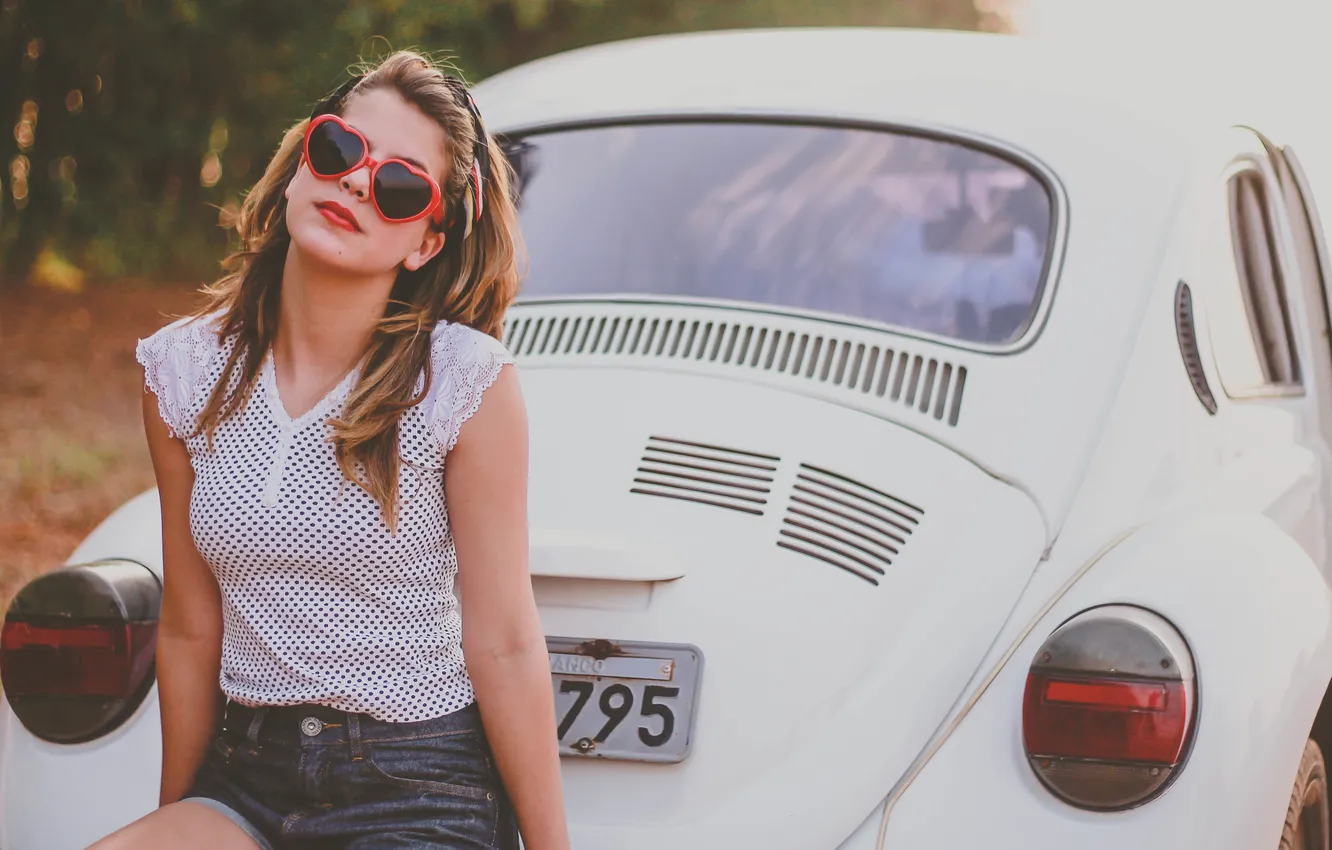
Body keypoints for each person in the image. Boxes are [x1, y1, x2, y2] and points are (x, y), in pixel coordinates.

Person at [88, 51, 569, 850]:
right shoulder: (182, 373)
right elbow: (188, 626)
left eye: (400, 187)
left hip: (412, 787)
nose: (356, 182)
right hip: (243, 779)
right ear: (299, 167)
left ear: (425, 242)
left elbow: (505, 641)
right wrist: (175, 814)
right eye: (341, 150)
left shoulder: (462, 383)